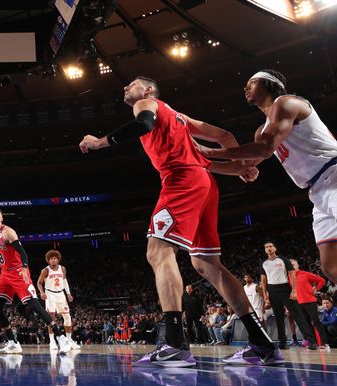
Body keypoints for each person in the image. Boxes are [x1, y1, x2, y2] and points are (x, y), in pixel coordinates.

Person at [79, 76, 281, 366]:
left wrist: (100, 142)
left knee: (158, 251)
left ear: (148, 90)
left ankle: (174, 344)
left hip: (181, 181)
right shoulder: (179, 117)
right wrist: (240, 167)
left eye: (132, 84)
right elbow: (223, 136)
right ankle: (262, 343)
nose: (126, 88)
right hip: (204, 181)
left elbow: (144, 124)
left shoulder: (146, 104)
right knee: (207, 264)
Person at [200, 70, 337, 282]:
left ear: (269, 84)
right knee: (331, 267)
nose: (246, 88)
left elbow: (264, 149)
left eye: (251, 82)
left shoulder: (287, 102)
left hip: (333, 173)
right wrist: (201, 162)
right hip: (317, 190)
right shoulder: (261, 130)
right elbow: (243, 167)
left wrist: (210, 151)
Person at [0, 208, 72, 355]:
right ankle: (13, 343)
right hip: (4, 274)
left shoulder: (8, 232)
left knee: (33, 304)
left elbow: (22, 252)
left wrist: (24, 268)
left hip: (18, 271)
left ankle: (61, 338)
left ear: (2, 218)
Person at [259, 242, 317, 350]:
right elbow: (263, 279)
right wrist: (265, 295)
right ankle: (282, 342)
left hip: (285, 289)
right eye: (266, 247)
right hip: (272, 291)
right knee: (278, 318)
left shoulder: (283, 260)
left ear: (275, 248)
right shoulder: (263, 263)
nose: (269, 248)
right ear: (265, 250)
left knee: (298, 315)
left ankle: (312, 342)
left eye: (270, 246)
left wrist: (294, 290)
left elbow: (292, 274)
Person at [37, 250, 81, 350]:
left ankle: (69, 340)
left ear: (58, 259)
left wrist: (68, 293)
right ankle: (52, 341)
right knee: (51, 318)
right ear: (48, 260)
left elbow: (64, 281)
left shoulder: (63, 269)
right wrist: (42, 292)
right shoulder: (46, 270)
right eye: (51, 258)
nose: (53, 260)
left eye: (55, 258)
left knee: (67, 316)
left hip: (61, 294)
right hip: (49, 294)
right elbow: (39, 283)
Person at [290, 259, 328, 349]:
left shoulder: (305, 274)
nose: (292, 266)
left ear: (298, 265)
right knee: (307, 324)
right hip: (299, 303)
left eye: (293, 264)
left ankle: (324, 343)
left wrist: (316, 289)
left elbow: (322, 280)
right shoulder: (290, 277)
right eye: (290, 265)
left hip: (310, 301)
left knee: (316, 321)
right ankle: (313, 343)